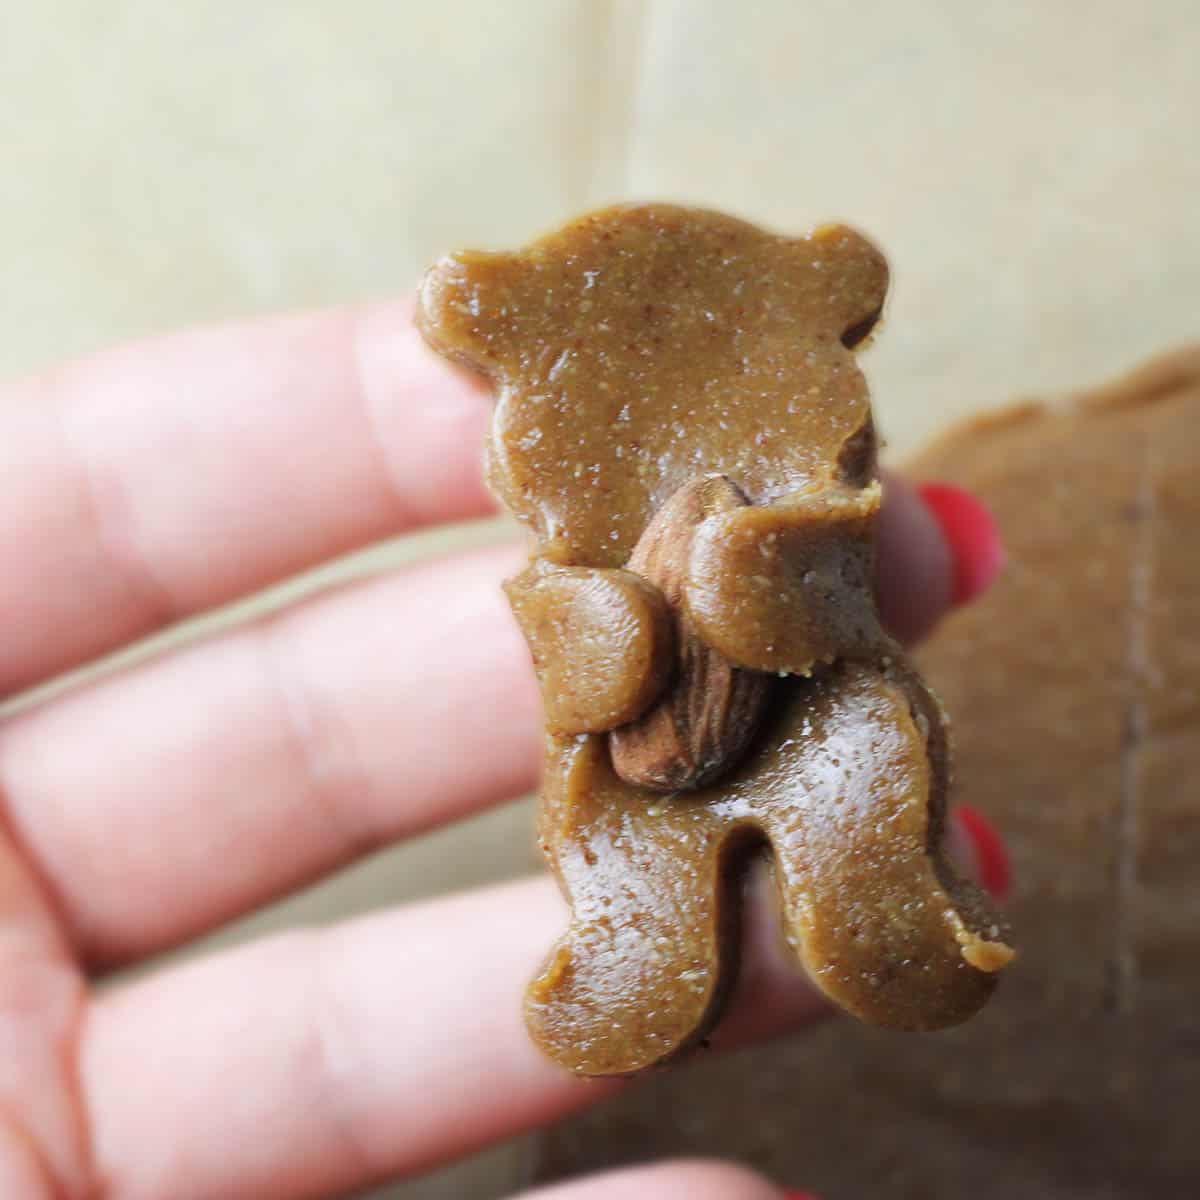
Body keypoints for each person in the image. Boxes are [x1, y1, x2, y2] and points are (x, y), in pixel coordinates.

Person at [0, 301, 1007, 1200]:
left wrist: (764, 576)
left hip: (816, 709)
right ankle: (642, 972)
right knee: (631, 876)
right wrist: (605, 635)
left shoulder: (793, 469)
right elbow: (570, 627)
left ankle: (888, 929)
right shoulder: (577, 506)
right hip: (631, 760)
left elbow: (822, 571)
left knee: (861, 796)